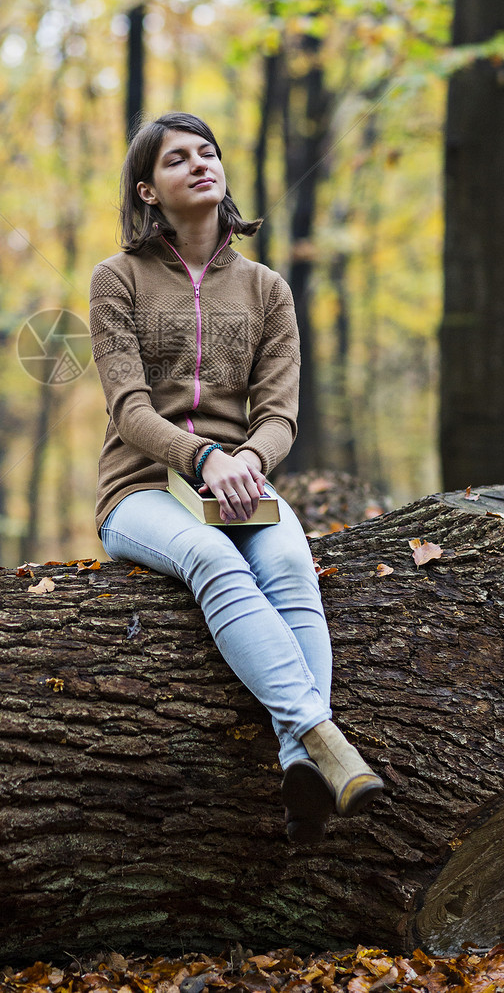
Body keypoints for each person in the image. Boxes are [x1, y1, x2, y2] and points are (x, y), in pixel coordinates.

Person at [89, 111, 384, 843]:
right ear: (147, 190)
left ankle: (303, 769)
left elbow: (279, 416)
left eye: (208, 152)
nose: (199, 164)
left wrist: (247, 460)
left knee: (288, 562)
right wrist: (202, 459)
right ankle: (321, 732)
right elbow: (128, 409)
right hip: (143, 491)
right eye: (177, 159)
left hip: (239, 482)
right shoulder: (115, 280)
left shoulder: (266, 290)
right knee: (211, 557)